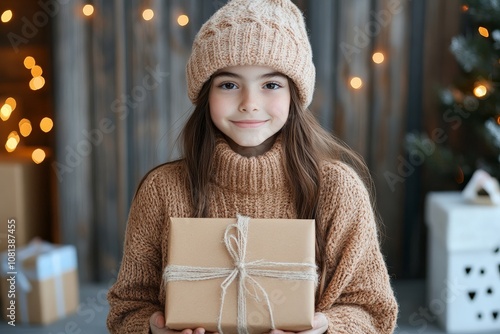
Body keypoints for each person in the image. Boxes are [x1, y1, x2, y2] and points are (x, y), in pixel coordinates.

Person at [106, 0, 399, 333]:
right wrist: (151, 327)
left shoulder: (338, 191)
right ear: (205, 94)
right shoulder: (162, 190)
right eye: (229, 84)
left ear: (294, 95)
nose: (249, 103)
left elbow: (374, 311)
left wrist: (327, 327)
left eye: (271, 85)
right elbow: (125, 309)